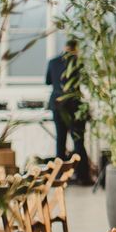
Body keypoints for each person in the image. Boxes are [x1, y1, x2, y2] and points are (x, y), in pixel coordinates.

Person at [45, 39, 93, 185]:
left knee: (60, 140)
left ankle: (59, 176)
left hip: (58, 103)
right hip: (74, 105)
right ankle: (82, 176)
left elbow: (48, 81)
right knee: (78, 140)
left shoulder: (53, 62)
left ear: (65, 47)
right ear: (76, 48)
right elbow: (85, 81)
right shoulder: (78, 62)